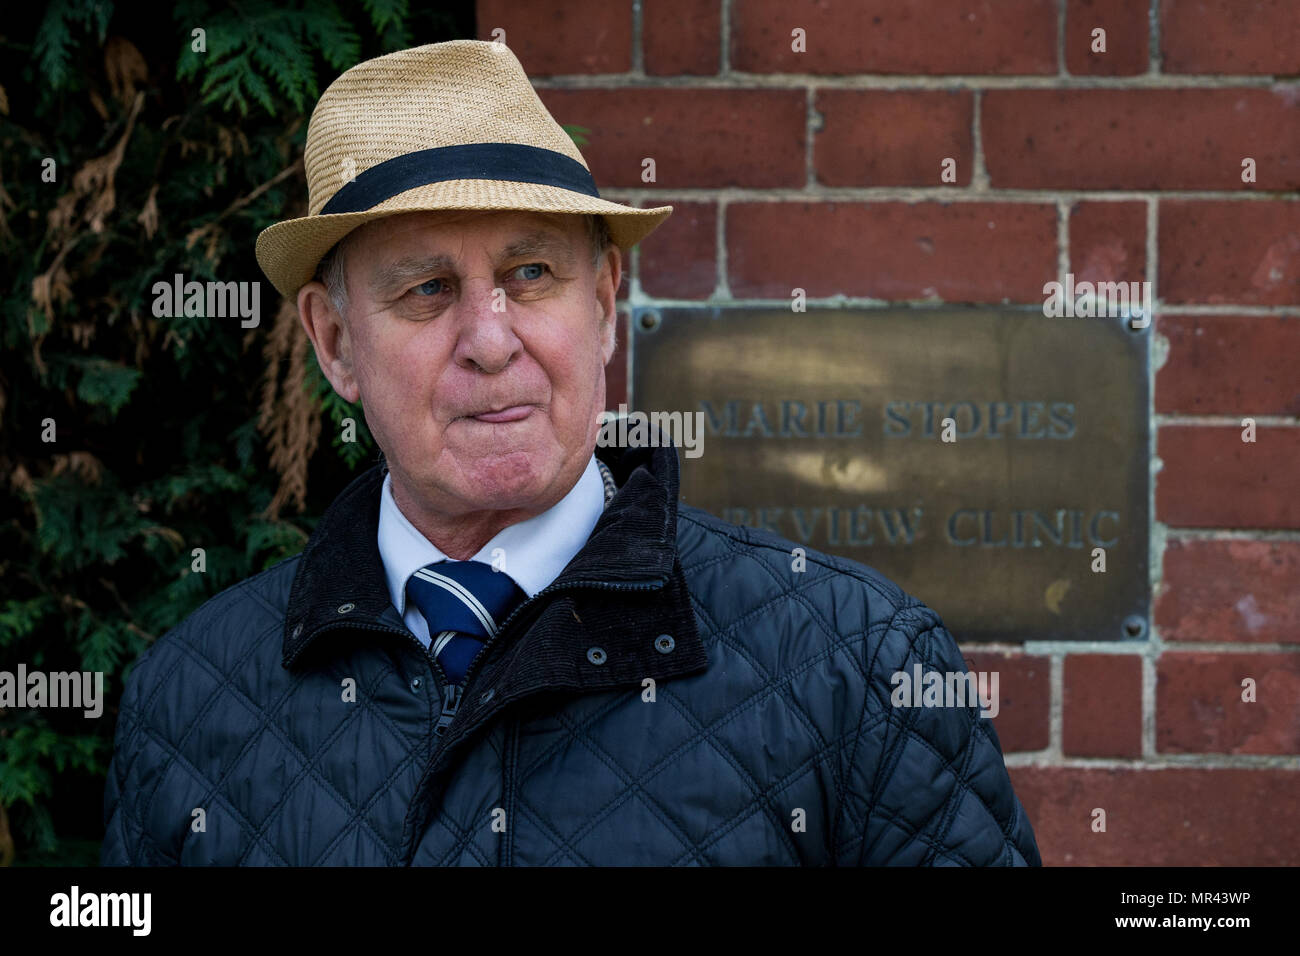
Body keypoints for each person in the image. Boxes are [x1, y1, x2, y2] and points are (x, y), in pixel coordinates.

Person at [101, 39, 1040, 866]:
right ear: (336, 344)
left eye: (531, 273)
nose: (492, 338)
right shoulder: (187, 706)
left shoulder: (859, 670)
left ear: (602, 306)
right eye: (428, 289)